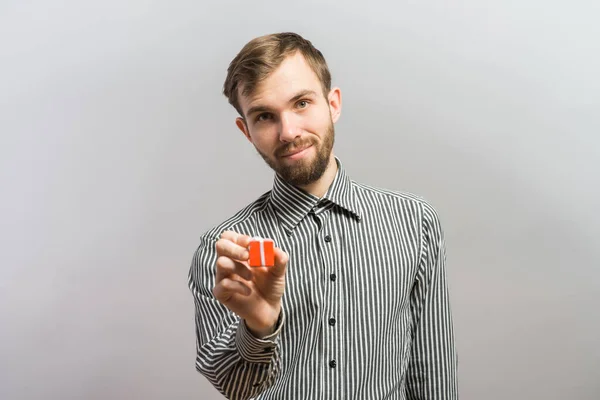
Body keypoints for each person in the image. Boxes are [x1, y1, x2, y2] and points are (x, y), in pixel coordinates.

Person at [188, 32, 458, 399]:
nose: (289, 132)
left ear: (333, 104)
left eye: (301, 103)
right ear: (246, 132)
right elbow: (235, 389)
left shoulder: (414, 221)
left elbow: (434, 373)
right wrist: (258, 328)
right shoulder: (225, 251)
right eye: (265, 116)